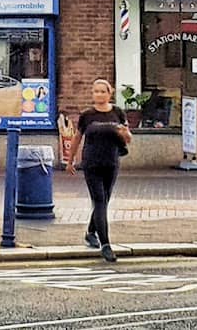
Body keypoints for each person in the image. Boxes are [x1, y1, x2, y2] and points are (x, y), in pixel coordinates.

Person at [66, 79, 131, 263]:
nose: (99, 94)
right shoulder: (87, 115)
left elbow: (128, 138)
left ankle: (90, 232)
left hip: (111, 162)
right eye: (96, 91)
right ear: (92, 94)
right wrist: (70, 161)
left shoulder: (117, 112)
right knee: (100, 200)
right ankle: (106, 244)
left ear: (109, 93)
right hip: (91, 163)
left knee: (105, 200)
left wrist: (124, 132)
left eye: (103, 91)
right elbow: (77, 138)